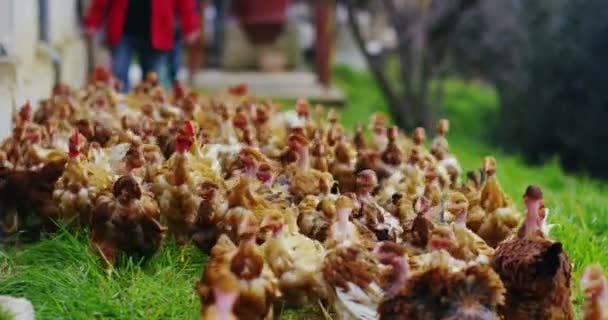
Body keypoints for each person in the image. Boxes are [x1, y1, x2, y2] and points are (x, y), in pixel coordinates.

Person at [85, 0, 201, 92]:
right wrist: (93, 22)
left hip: (157, 32)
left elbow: (185, 2)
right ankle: (121, 113)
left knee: (152, 81)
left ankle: (149, 117)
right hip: (123, 30)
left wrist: (190, 26)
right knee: (118, 76)